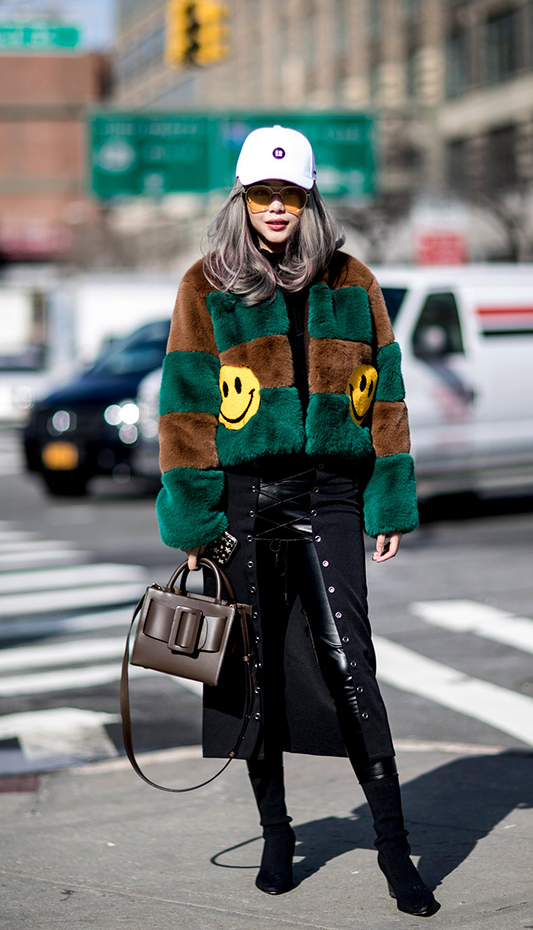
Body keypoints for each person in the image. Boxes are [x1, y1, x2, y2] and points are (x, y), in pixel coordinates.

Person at [156, 125, 437, 917]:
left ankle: (392, 847)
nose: (274, 208)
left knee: (351, 664)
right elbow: (182, 408)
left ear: (308, 196)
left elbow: (386, 398)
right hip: (244, 501)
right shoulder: (205, 284)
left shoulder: (353, 280)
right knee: (254, 675)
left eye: (288, 194)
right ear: (240, 199)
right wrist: (195, 516)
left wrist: (388, 499)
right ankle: (277, 832)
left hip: (328, 496)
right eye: (260, 194)